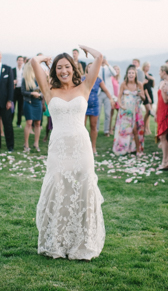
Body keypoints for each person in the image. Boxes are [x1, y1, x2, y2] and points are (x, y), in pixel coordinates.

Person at [31, 47, 105, 260]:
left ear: (73, 69)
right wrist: (42, 58)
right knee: (58, 186)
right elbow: (33, 63)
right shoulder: (49, 91)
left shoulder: (85, 87)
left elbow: (99, 58)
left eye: (67, 67)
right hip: (59, 147)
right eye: (59, 67)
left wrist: (86, 49)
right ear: (54, 71)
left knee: (83, 188)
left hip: (81, 146)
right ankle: (57, 241)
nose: (64, 71)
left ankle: (82, 243)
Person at [113, 65, 145, 156]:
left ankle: (138, 150)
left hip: (135, 111)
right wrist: (120, 105)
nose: (131, 74)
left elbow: (143, 98)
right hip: (125, 111)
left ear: (135, 74)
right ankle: (125, 148)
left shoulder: (139, 84)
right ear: (127, 74)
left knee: (135, 129)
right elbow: (119, 97)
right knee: (125, 130)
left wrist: (140, 94)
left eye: (132, 73)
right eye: (129, 73)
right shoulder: (124, 84)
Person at [83, 63, 113, 156]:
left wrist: (111, 99)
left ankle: (93, 147)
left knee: (93, 126)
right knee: (81, 127)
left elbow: (106, 90)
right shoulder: (82, 78)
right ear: (87, 69)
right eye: (89, 67)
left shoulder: (99, 79)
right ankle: (82, 147)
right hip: (83, 105)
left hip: (94, 105)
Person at [22, 59, 43, 152]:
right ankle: (26, 144)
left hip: (37, 102)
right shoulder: (25, 79)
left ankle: (36, 143)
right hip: (29, 102)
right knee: (29, 122)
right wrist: (31, 94)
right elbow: (22, 92)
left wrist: (40, 95)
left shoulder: (39, 78)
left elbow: (44, 90)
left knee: (38, 123)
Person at [156, 64, 168, 169]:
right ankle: (166, 159)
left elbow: (166, 100)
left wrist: (163, 89)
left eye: (159, 71)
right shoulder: (162, 82)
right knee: (163, 137)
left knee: (164, 137)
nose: (159, 73)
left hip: (166, 112)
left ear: (163, 72)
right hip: (161, 111)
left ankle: (166, 160)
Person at [97, 58, 117, 137]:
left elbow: (114, 73)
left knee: (107, 113)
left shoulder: (108, 69)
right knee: (97, 113)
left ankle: (106, 130)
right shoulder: (98, 69)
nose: (103, 61)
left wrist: (108, 64)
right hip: (99, 93)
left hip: (108, 93)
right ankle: (96, 129)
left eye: (104, 60)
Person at [142, 62, 155, 136]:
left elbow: (153, 85)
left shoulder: (150, 75)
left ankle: (147, 128)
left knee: (148, 113)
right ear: (144, 66)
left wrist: (152, 78)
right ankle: (144, 128)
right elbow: (144, 88)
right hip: (146, 94)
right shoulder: (142, 75)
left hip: (151, 93)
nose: (148, 68)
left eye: (149, 66)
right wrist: (148, 97)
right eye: (147, 66)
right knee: (148, 111)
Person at [12, 56, 25, 127]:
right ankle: (10, 122)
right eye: (19, 60)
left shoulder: (24, 70)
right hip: (14, 90)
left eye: (21, 60)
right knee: (12, 107)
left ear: (23, 62)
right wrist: (13, 81)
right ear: (17, 61)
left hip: (21, 90)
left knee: (20, 108)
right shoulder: (13, 69)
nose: (20, 61)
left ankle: (18, 123)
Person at [109, 65, 121, 135]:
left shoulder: (118, 79)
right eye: (115, 69)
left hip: (117, 98)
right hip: (112, 98)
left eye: (117, 69)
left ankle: (114, 127)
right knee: (111, 114)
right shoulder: (111, 78)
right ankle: (110, 129)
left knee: (119, 112)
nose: (116, 70)